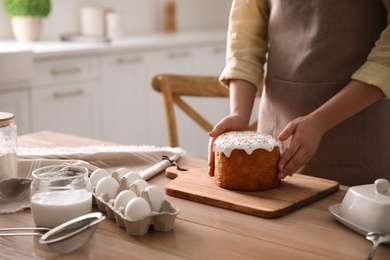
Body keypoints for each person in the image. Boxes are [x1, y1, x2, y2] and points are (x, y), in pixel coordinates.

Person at [208, 0, 390, 186]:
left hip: (359, 139)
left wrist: (320, 121)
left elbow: (386, 59)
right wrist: (239, 113)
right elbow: (244, 46)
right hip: (275, 135)